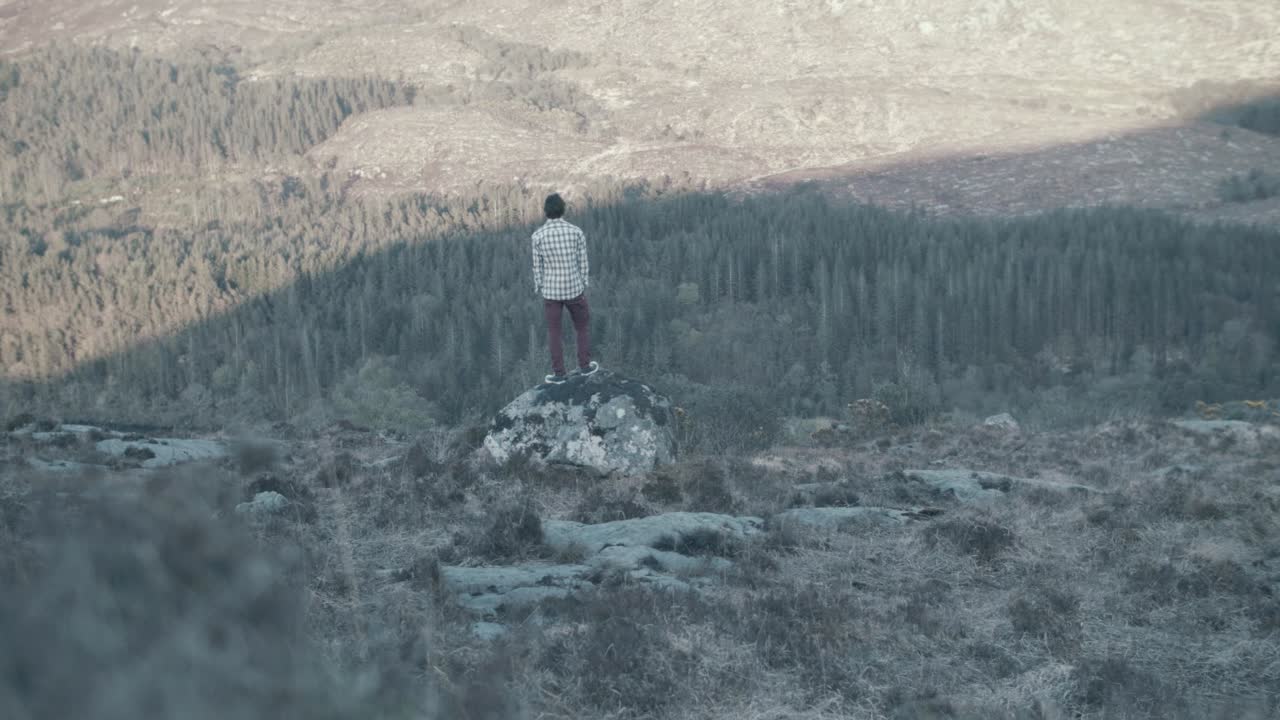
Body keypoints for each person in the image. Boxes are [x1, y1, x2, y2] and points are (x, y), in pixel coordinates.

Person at [532, 192, 599, 384]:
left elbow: (538, 267)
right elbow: (583, 261)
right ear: (563, 210)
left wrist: (539, 286)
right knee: (582, 327)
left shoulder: (538, 236)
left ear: (545, 212)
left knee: (554, 332)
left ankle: (559, 373)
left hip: (551, 292)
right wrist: (584, 281)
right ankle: (585, 366)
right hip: (574, 289)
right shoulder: (576, 232)